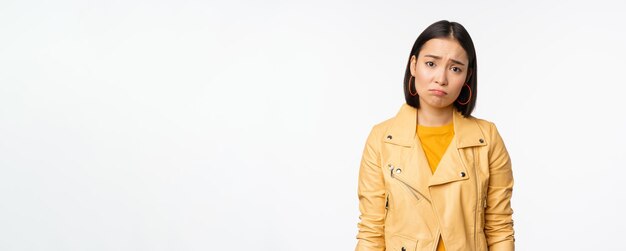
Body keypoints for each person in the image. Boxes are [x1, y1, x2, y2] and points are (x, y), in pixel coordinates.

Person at [354, 20, 515, 251]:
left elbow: (499, 228)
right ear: (414, 65)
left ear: (467, 76)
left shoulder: (486, 138)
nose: (441, 78)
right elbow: (371, 231)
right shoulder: (382, 139)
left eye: (455, 68)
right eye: (431, 63)